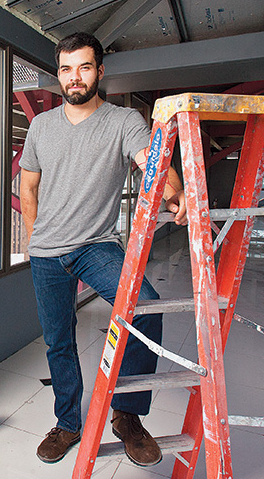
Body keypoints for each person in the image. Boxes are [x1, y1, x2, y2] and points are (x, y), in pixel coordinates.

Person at [19, 32, 187, 467]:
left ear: (100, 71)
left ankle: (127, 416)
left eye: (84, 67)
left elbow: (151, 162)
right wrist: (32, 238)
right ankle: (68, 423)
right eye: (67, 69)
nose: (75, 78)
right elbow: (29, 186)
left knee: (145, 309)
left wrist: (176, 194)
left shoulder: (123, 120)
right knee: (58, 341)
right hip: (46, 252)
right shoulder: (41, 126)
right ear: (59, 75)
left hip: (96, 245)